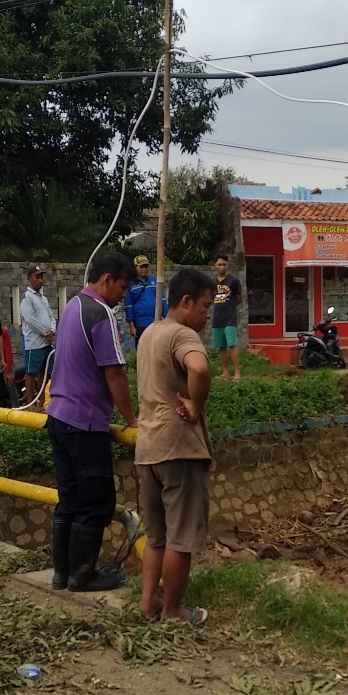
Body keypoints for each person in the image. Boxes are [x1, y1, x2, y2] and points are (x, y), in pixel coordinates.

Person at [46, 250, 138, 592]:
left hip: (58, 416)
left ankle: (62, 573)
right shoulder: (101, 313)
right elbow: (113, 372)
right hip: (84, 422)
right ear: (106, 280)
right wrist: (131, 418)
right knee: (96, 500)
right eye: (122, 287)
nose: (122, 295)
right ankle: (82, 574)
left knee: (69, 498)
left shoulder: (72, 306)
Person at [136, 267, 215, 625]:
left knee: (156, 536)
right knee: (180, 539)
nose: (207, 314)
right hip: (179, 448)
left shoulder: (149, 333)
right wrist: (196, 406)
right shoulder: (184, 335)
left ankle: (149, 603)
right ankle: (172, 613)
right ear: (186, 302)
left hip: (147, 447)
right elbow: (199, 370)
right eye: (205, 306)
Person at [20, 263, 56, 405]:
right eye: (37, 277)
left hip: (46, 342)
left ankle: (42, 401)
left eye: (41, 277)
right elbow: (30, 320)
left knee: (44, 372)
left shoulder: (43, 298)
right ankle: (30, 402)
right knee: (31, 373)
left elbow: (51, 317)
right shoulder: (26, 297)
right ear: (29, 278)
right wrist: (45, 333)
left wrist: (52, 331)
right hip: (34, 343)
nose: (40, 280)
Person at [211, 254, 243, 382]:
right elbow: (210, 298)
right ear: (215, 266)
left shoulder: (233, 281)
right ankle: (225, 372)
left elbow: (239, 299)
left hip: (230, 318)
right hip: (217, 318)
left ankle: (237, 373)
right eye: (219, 264)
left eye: (224, 264)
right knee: (221, 346)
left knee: (232, 345)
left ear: (228, 265)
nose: (222, 267)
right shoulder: (212, 282)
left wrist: (228, 305)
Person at [124, 255, 166, 346]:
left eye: (146, 266)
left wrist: (167, 319)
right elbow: (128, 305)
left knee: (156, 349)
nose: (144, 269)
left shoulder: (155, 281)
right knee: (141, 350)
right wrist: (131, 326)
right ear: (135, 268)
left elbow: (162, 300)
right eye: (141, 267)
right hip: (140, 324)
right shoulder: (131, 284)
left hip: (156, 323)